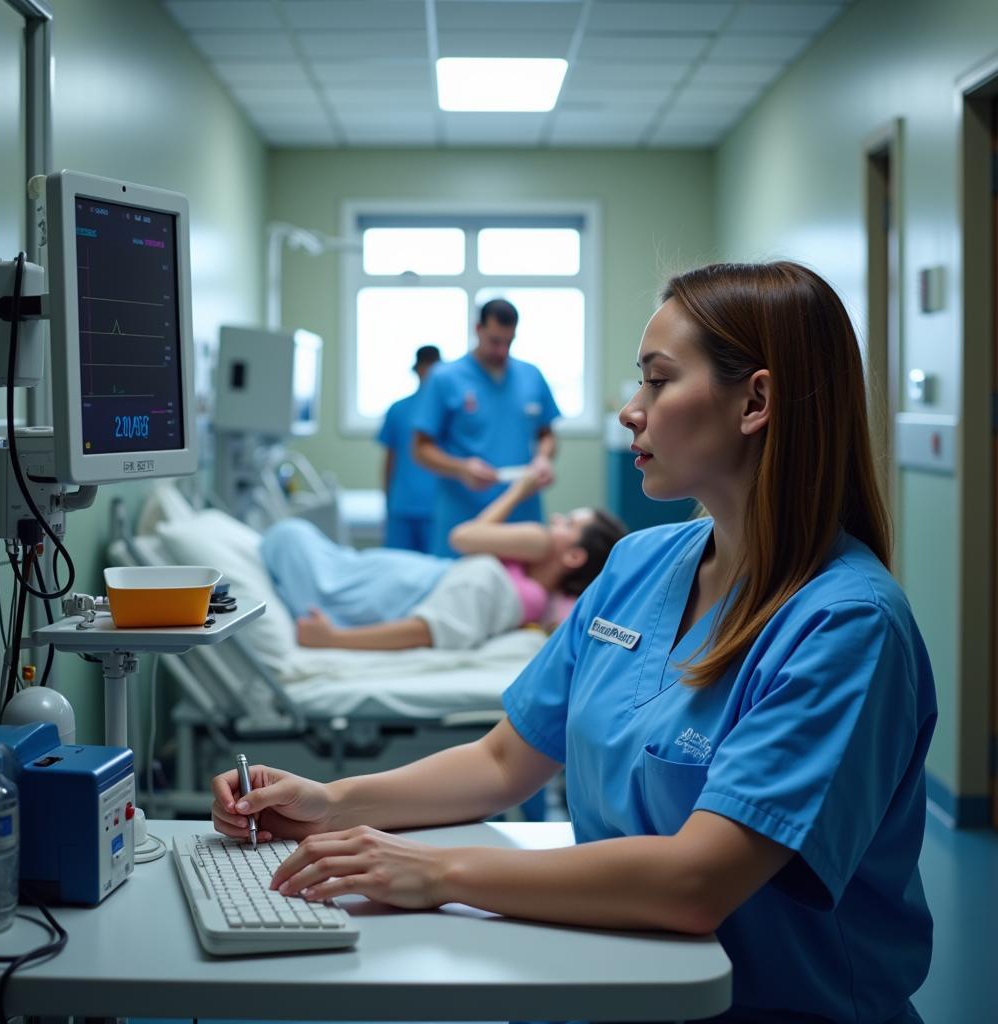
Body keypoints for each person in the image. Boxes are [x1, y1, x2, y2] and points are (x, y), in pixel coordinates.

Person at [213, 261, 937, 1024]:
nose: (631, 411)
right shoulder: (637, 565)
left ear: (756, 401)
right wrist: (332, 802)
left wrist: (437, 871)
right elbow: (502, 761)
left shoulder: (846, 626)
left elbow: (696, 883)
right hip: (608, 983)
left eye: (658, 382)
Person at [260, 467, 626, 651]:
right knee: (292, 536)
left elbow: (428, 629)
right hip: (381, 576)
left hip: (382, 593)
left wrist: (334, 639)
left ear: (574, 556)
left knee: (289, 536)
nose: (555, 520)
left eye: (568, 523)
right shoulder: (522, 581)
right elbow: (473, 539)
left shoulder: (519, 592)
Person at [412, 298, 561, 557]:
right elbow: (421, 449)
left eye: (509, 341)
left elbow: (547, 435)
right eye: (494, 341)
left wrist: (543, 459)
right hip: (465, 516)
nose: (502, 350)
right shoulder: (445, 378)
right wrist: (461, 468)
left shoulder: (531, 376)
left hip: (521, 518)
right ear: (477, 329)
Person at [377, 345, 441, 553]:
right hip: (403, 507)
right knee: (399, 569)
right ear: (417, 369)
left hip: (436, 508)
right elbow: (390, 460)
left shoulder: (448, 413)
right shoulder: (398, 410)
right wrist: (387, 500)